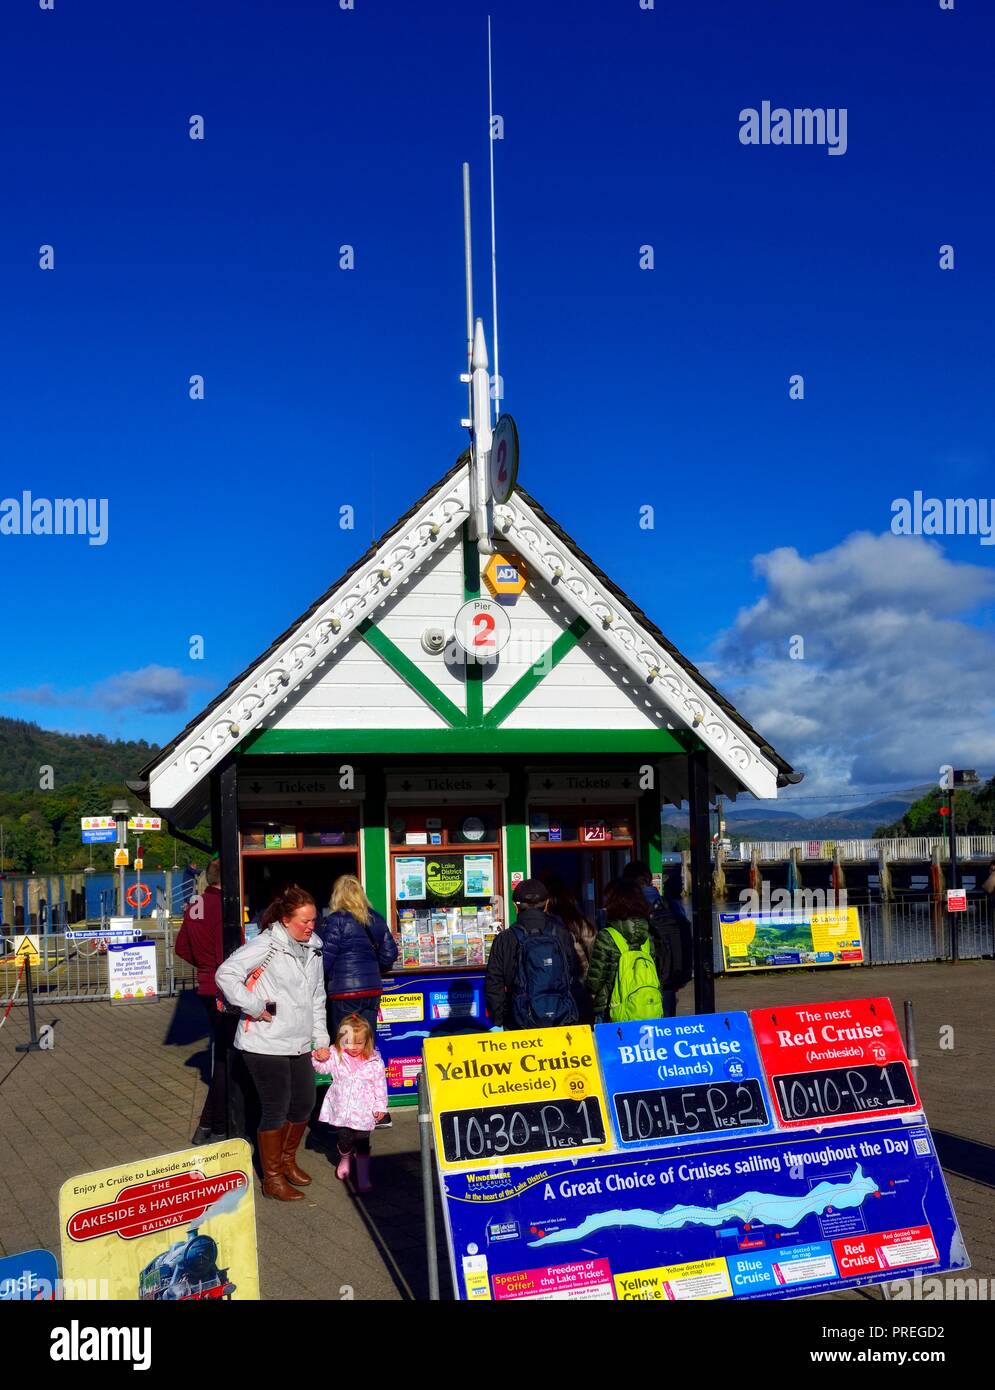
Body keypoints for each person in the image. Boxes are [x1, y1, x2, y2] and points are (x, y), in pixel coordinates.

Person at [216, 884, 330, 1202]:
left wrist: (320, 1038)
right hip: (264, 1041)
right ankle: (273, 1178)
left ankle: (287, 1162)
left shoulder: (314, 949)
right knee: (275, 1109)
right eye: (304, 921)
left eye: (313, 920)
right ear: (285, 918)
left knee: (305, 1103)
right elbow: (226, 974)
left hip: (299, 1040)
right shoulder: (266, 944)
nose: (311, 926)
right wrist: (254, 1006)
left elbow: (316, 997)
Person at [174, 857, 236, 1144]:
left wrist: (204, 967)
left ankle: (208, 1126)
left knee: (225, 1056)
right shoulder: (225, 907)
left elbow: (181, 947)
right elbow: (229, 953)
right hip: (224, 990)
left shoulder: (195, 904)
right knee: (227, 1059)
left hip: (205, 987)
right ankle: (217, 1126)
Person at [485, 878, 580, 1029]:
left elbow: (493, 983)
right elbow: (575, 974)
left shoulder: (505, 939)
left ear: (515, 906)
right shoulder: (562, 934)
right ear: (547, 904)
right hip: (561, 1018)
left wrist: (501, 1019)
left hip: (519, 1021)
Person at [312, 1013, 388, 1194]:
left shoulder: (374, 1061)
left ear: (367, 1041)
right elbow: (322, 1069)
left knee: (362, 1141)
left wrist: (380, 1106)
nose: (353, 1047)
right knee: (344, 1138)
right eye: (348, 1042)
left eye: (359, 1043)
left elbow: (380, 1085)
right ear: (341, 1040)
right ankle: (345, 1157)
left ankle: (363, 1175)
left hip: (364, 1110)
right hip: (342, 1108)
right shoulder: (336, 1054)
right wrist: (318, 1056)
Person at [319, 874, 397, 1036]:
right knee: (366, 1040)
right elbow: (390, 954)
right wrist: (372, 968)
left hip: (344, 992)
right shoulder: (376, 918)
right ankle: (369, 1063)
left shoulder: (335, 920)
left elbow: (325, 958)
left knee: (346, 1042)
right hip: (372, 990)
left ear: (337, 895)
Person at [586, 878, 664, 1023]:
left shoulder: (607, 936)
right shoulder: (646, 937)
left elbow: (594, 983)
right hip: (646, 1008)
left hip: (611, 1011)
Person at [622, 859, 692, 1016]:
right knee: (666, 1030)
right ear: (649, 879)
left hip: (641, 983)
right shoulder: (673, 905)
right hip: (670, 982)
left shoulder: (630, 908)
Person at [542, 874, 597, 979]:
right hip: (581, 982)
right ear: (570, 901)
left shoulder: (545, 927)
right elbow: (595, 958)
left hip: (554, 982)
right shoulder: (582, 925)